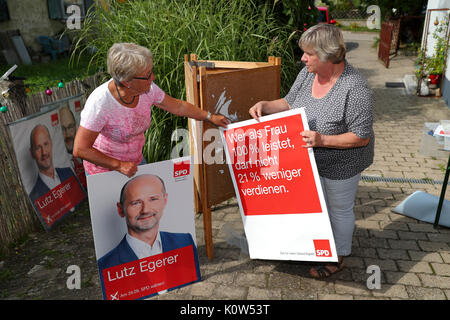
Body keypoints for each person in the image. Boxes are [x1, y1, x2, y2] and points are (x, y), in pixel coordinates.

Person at [249, 24, 374, 279]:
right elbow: (288, 101)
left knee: (339, 208)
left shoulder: (356, 88)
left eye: (309, 53)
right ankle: (318, 246)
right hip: (308, 157)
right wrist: (265, 105)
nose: (303, 58)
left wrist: (322, 139)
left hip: (343, 163)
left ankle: (338, 257)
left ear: (328, 55)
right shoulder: (308, 74)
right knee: (319, 207)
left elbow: (361, 137)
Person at [73, 42, 229, 177]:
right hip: (103, 170)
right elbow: (80, 149)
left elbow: (178, 106)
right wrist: (118, 165)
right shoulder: (100, 103)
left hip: (135, 162)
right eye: (147, 75)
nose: (153, 78)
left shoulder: (149, 90)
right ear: (127, 81)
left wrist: (209, 116)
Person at [97, 174, 200, 298]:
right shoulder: (105, 266)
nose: (145, 210)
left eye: (153, 199)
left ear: (165, 200)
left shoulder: (185, 241)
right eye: (136, 203)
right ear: (121, 210)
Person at [28, 124, 82, 213]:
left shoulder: (68, 172)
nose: (44, 152)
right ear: (32, 153)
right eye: (38, 147)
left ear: (51, 144)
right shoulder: (35, 195)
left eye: (46, 144)